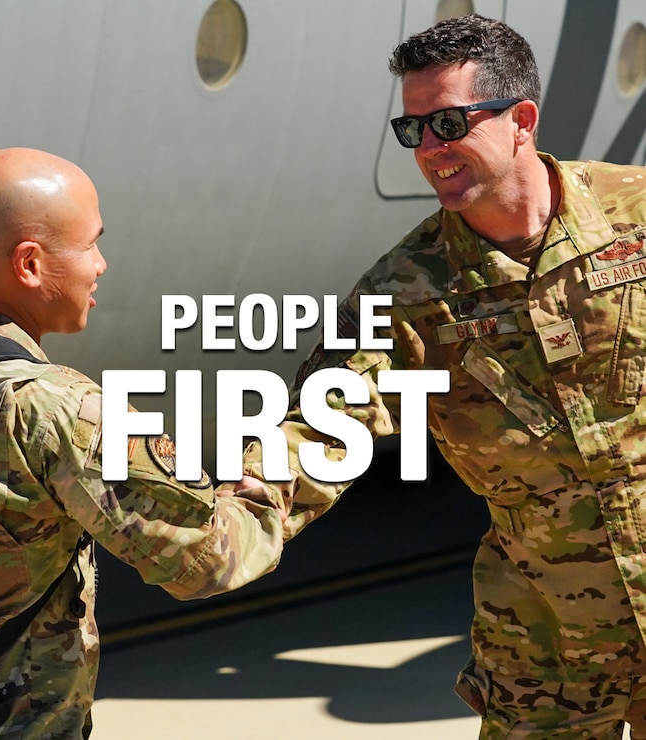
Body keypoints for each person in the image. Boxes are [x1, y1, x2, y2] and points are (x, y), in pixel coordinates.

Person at [241, 13, 646, 739]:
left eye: (451, 123)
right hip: (548, 652)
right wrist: (239, 499)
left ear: (521, 118)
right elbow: (325, 419)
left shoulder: (635, 215)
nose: (430, 150)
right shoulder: (407, 293)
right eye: (414, 130)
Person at [0, 147, 298, 739]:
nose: (102, 264)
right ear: (30, 264)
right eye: (89, 244)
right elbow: (211, 557)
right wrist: (298, 456)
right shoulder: (54, 408)